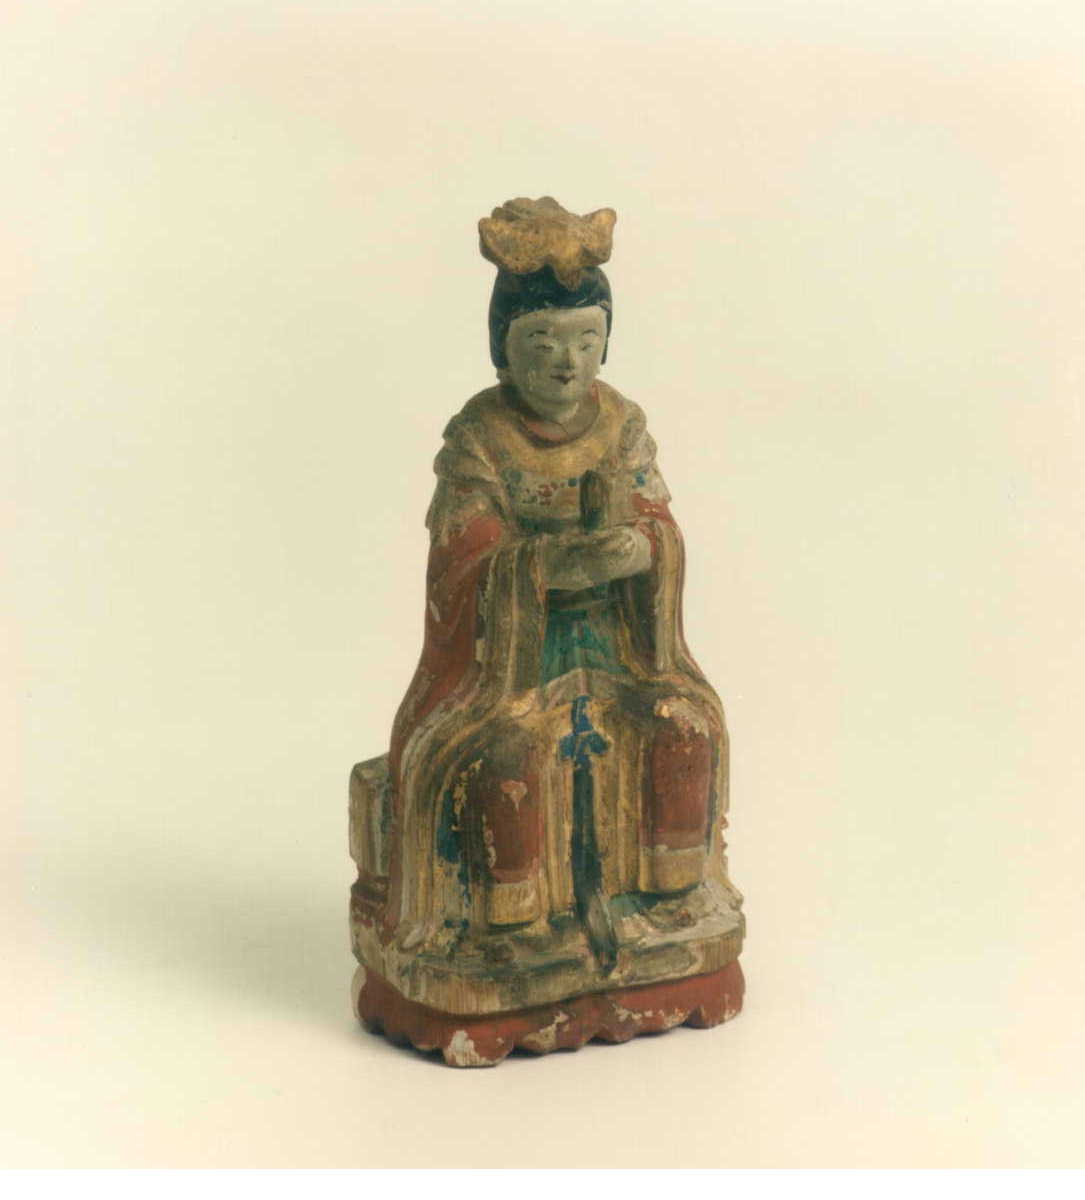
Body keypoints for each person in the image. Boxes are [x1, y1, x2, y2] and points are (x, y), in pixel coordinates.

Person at [350, 198, 743, 1021]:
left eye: (584, 341)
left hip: (619, 646)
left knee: (679, 726)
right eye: (542, 343)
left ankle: (667, 903)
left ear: (605, 341)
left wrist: (642, 549)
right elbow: (461, 555)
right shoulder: (480, 436)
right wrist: (542, 566)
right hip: (510, 663)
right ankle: (514, 928)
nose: (567, 364)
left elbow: (657, 519)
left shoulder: (622, 424)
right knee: (503, 755)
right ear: (503, 349)